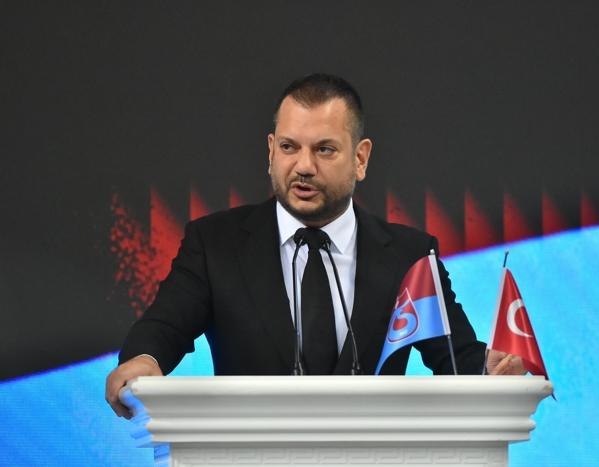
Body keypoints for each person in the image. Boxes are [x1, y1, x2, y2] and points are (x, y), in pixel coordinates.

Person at [105, 73, 524, 418]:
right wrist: (144, 359)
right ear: (271, 151)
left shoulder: (409, 256)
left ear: (360, 158)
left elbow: (456, 358)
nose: (303, 166)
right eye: (289, 147)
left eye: (324, 150)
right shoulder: (215, 244)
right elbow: (164, 327)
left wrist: (489, 370)